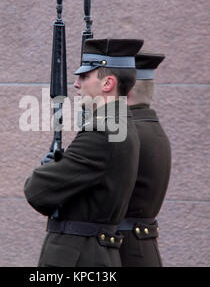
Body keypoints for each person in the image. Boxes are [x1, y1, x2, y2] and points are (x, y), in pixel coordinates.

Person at [24, 38, 143, 267]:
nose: (77, 84)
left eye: (84, 77)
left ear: (107, 83)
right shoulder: (121, 124)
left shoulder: (102, 130)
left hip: (79, 258)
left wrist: (48, 169)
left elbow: (37, 191)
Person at [118, 52, 172, 267]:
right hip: (142, 248)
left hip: (125, 253)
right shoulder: (152, 129)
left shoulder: (128, 134)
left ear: (127, 91)